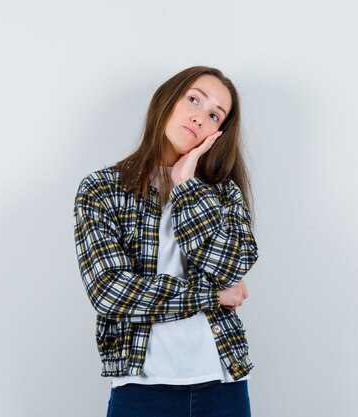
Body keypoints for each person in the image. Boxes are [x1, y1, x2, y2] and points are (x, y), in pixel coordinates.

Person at [73, 66, 259, 417]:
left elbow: (232, 266)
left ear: (218, 132)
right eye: (194, 99)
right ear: (168, 100)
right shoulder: (102, 189)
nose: (199, 117)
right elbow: (110, 292)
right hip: (141, 389)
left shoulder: (222, 193)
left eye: (214, 115)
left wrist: (187, 185)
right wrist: (212, 295)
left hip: (223, 385)